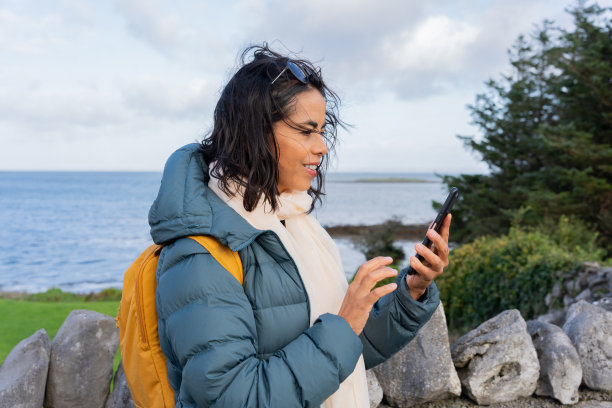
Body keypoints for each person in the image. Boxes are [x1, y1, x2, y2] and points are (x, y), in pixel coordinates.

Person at [149, 44, 451, 408]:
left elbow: (344, 353)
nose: (322, 147)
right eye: (307, 131)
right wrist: (342, 327)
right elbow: (233, 397)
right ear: (254, 132)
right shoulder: (199, 254)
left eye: (323, 131)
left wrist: (411, 293)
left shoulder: (293, 223)